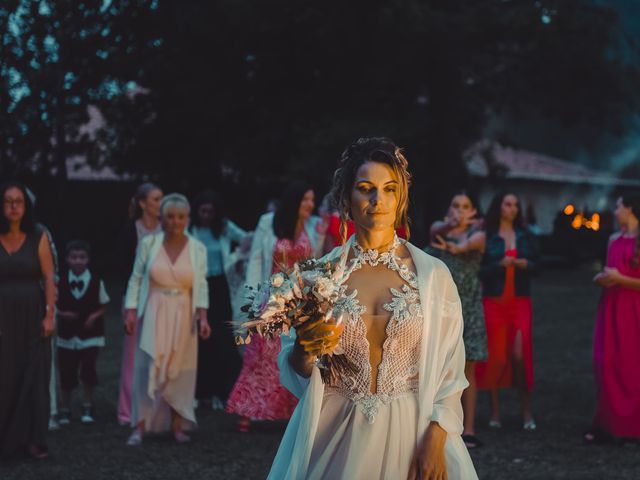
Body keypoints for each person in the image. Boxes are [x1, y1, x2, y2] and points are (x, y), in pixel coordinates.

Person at [269, 138, 477, 479]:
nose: (378, 200)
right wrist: (305, 352)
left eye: (389, 189)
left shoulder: (433, 275)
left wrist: (438, 436)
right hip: (336, 435)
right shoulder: (317, 278)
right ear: (347, 198)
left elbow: (451, 368)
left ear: (400, 198)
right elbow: (295, 370)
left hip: (414, 431)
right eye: (366, 189)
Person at [226, 181, 325, 432]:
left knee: (290, 356)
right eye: (306, 200)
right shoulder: (268, 222)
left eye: (312, 200)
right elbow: (257, 260)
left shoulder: (313, 227)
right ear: (294, 201)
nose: (310, 205)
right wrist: (252, 299)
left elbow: (314, 263)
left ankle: (289, 412)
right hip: (270, 298)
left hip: (297, 302)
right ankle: (247, 411)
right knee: (259, 358)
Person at [124, 193, 211, 445]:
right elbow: (136, 277)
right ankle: (139, 426)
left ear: (187, 219)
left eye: (180, 217)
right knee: (145, 367)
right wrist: (130, 310)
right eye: (170, 217)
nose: (175, 222)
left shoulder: (197, 248)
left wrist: (203, 317)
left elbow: (201, 285)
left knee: (181, 370)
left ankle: (177, 425)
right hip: (154, 309)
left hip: (184, 312)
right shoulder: (149, 244)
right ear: (161, 218)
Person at [426, 191, 488, 449]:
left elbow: (472, 244)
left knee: (468, 369)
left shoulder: (478, 234)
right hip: (440, 308)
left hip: (468, 308)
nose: (459, 210)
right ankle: (434, 423)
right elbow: (436, 229)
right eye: (455, 205)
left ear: (473, 211)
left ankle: (469, 428)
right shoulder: (438, 229)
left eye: (465, 206)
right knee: (437, 366)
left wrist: (456, 245)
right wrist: (451, 224)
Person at [0, 181, 56, 459]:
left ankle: (34, 440)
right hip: (2, 314)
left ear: (26, 205)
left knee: (33, 375)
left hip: (33, 313)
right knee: (5, 374)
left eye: (18, 201)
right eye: (8, 201)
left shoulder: (38, 235)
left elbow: (48, 277)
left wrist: (49, 314)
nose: (13, 206)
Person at [476, 190, 539, 431]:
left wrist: (526, 264)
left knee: (520, 356)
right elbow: (479, 270)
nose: (512, 208)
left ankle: (526, 411)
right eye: (507, 204)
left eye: (515, 205)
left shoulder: (525, 236)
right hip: (494, 302)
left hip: (520, 303)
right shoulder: (488, 236)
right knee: (497, 357)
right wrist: (497, 265)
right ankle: (495, 412)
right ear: (499, 207)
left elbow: (539, 265)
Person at [586, 195, 640, 444]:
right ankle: (608, 423)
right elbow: (609, 271)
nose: (615, 210)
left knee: (631, 366)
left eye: (618, 205)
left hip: (634, 308)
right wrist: (602, 278)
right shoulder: (612, 239)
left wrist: (620, 279)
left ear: (629, 208)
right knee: (606, 362)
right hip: (611, 305)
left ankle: (632, 426)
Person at [189, 190, 247, 410]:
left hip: (219, 285)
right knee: (201, 339)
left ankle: (221, 392)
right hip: (197, 284)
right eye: (203, 211)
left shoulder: (223, 227)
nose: (206, 216)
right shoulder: (190, 229)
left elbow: (247, 239)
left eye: (210, 212)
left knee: (222, 337)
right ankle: (199, 392)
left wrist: (239, 259)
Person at [115, 183, 163, 425]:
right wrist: (130, 306)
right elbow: (124, 271)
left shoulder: (167, 230)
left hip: (162, 301)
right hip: (137, 300)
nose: (160, 203)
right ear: (143, 203)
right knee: (133, 357)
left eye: (161, 199)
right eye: (156, 199)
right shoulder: (131, 231)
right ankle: (127, 410)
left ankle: (153, 408)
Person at [56, 240, 110, 426]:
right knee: (67, 371)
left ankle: (88, 404)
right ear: (66, 259)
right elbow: (52, 305)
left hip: (90, 335)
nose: (78, 261)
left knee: (88, 369)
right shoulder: (60, 281)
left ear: (88, 259)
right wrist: (62, 314)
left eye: (82, 257)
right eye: (74, 257)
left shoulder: (96, 281)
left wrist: (93, 317)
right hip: (67, 335)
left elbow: (104, 305)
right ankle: (65, 407)